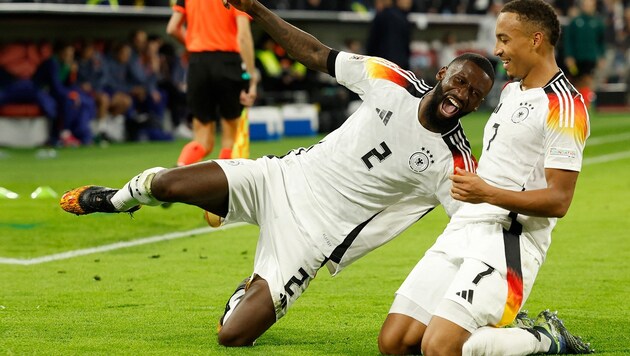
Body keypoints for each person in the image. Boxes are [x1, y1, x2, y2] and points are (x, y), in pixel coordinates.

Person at [59, 0, 495, 347]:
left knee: (232, 336)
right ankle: (111, 200)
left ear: (478, 105)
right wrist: (257, 10)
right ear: (442, 73)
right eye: (460, 82)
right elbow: (313, 52)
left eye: (475, 94)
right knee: (168, 183)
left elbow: (472, 229)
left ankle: (248, 287)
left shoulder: (454, 161)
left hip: (312, 238)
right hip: (280, 179)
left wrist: (478, 305)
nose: (463, 94)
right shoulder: (390, 79)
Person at [377, 0, 593, 355]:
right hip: (464, 228)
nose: (497, 51)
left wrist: (486, 192)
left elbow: (559, 201)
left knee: (439, 348)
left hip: (509, 240)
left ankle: (544, 338)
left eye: (505, 40)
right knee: (394, 342)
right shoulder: (509, 92)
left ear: (535, 40)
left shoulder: (564, 107)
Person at [166, 0, 257, 164]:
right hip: (228, 62)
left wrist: (194, 43)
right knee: (230, 138)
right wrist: (251, 75)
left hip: (198, 63)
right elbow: (243, 36)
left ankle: (179, 171)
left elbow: (172, 28)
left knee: (202, 141)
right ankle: (226, 186)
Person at [563, 0, 606, 109]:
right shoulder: (575, 22)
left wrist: (601, 56)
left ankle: (586, 105)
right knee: (576, 81)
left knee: (588, 80)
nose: (588, 7)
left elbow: (602, 42)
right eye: (586, 5)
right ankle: (577, 105)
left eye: (590, 5)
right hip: (577, 58)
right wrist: (569, 56)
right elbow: (568, 40)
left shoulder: (598, 22)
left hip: (591, 58)